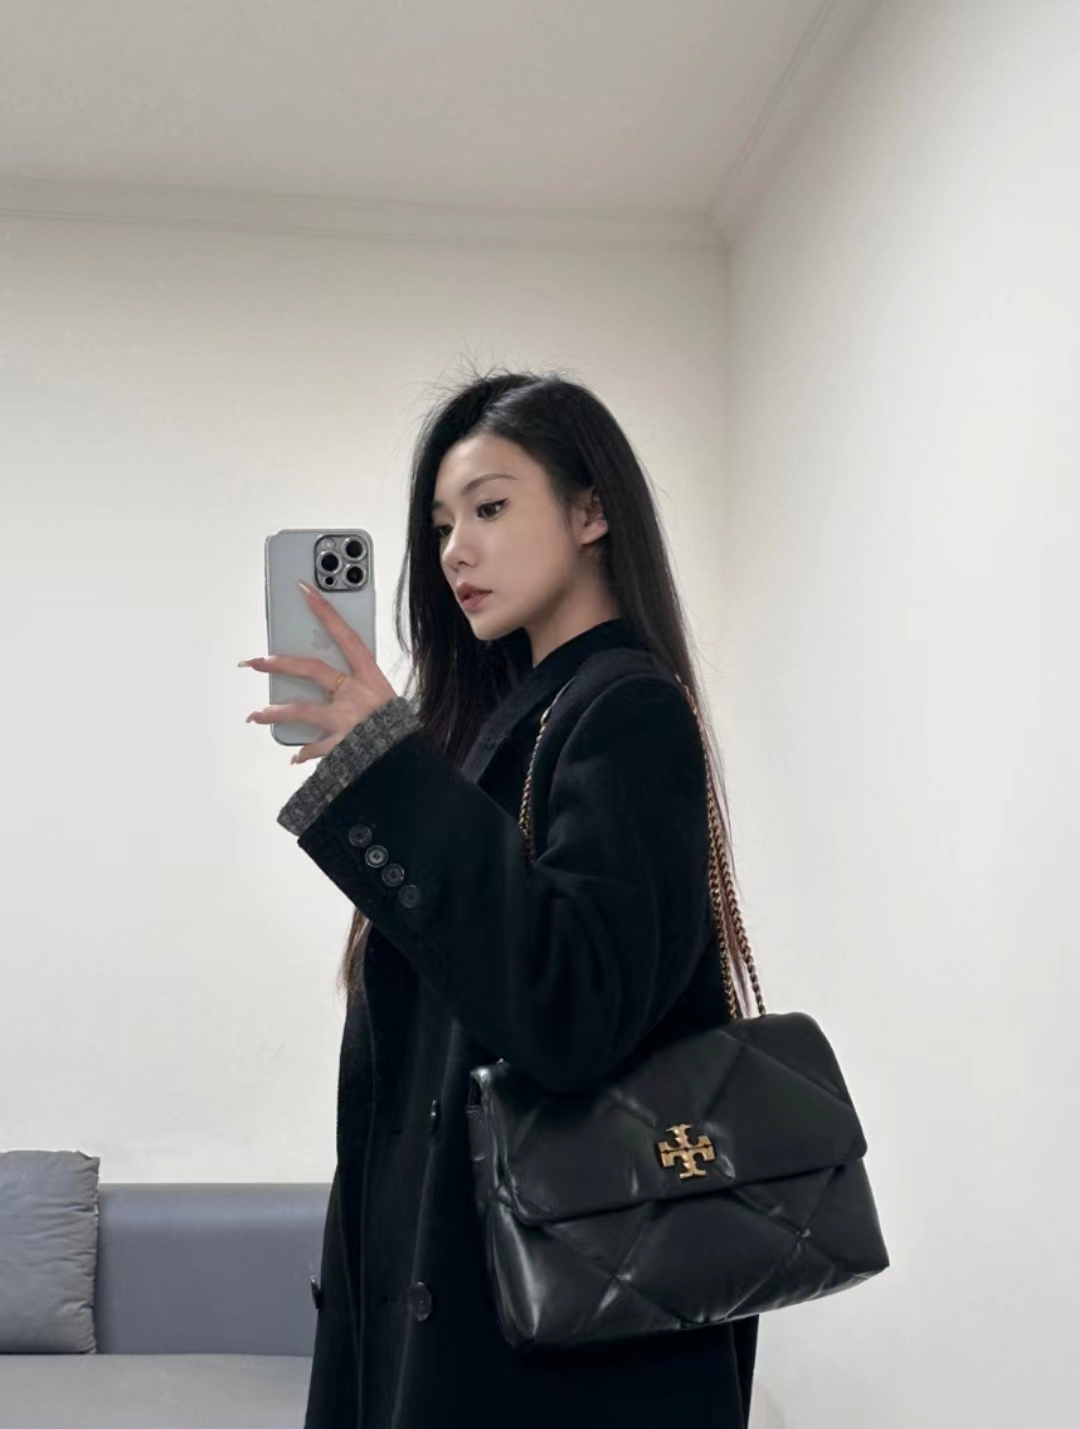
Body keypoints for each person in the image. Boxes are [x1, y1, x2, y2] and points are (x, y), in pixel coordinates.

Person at [242, 369, 759, 1427]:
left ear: (590, 511)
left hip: (559, 1359)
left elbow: (568, 1008)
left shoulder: (626, 710)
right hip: (485, 1322)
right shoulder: (509, 728)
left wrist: (390, 767)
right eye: (440, 526)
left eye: (488, 507)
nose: (454, 552)